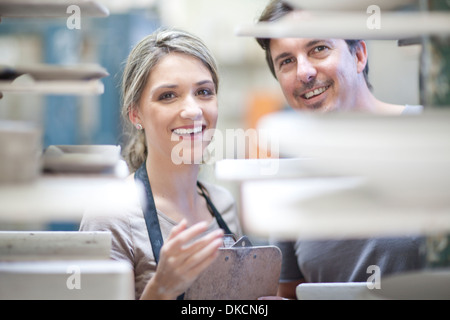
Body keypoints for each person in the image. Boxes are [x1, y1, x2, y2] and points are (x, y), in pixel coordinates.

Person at [255, 0, 425, 299]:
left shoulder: (430, 138)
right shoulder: (289, 172)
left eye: (318, 48)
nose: (304, 72)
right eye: (286, 61)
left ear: (358, 55)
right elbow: (290, 292)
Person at [80, 27, 242, 300]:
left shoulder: (224, 205)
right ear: (135, 114)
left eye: (204, 91)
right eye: (168, 95)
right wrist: (160, 291)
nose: (192, 110)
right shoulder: (110, 216)